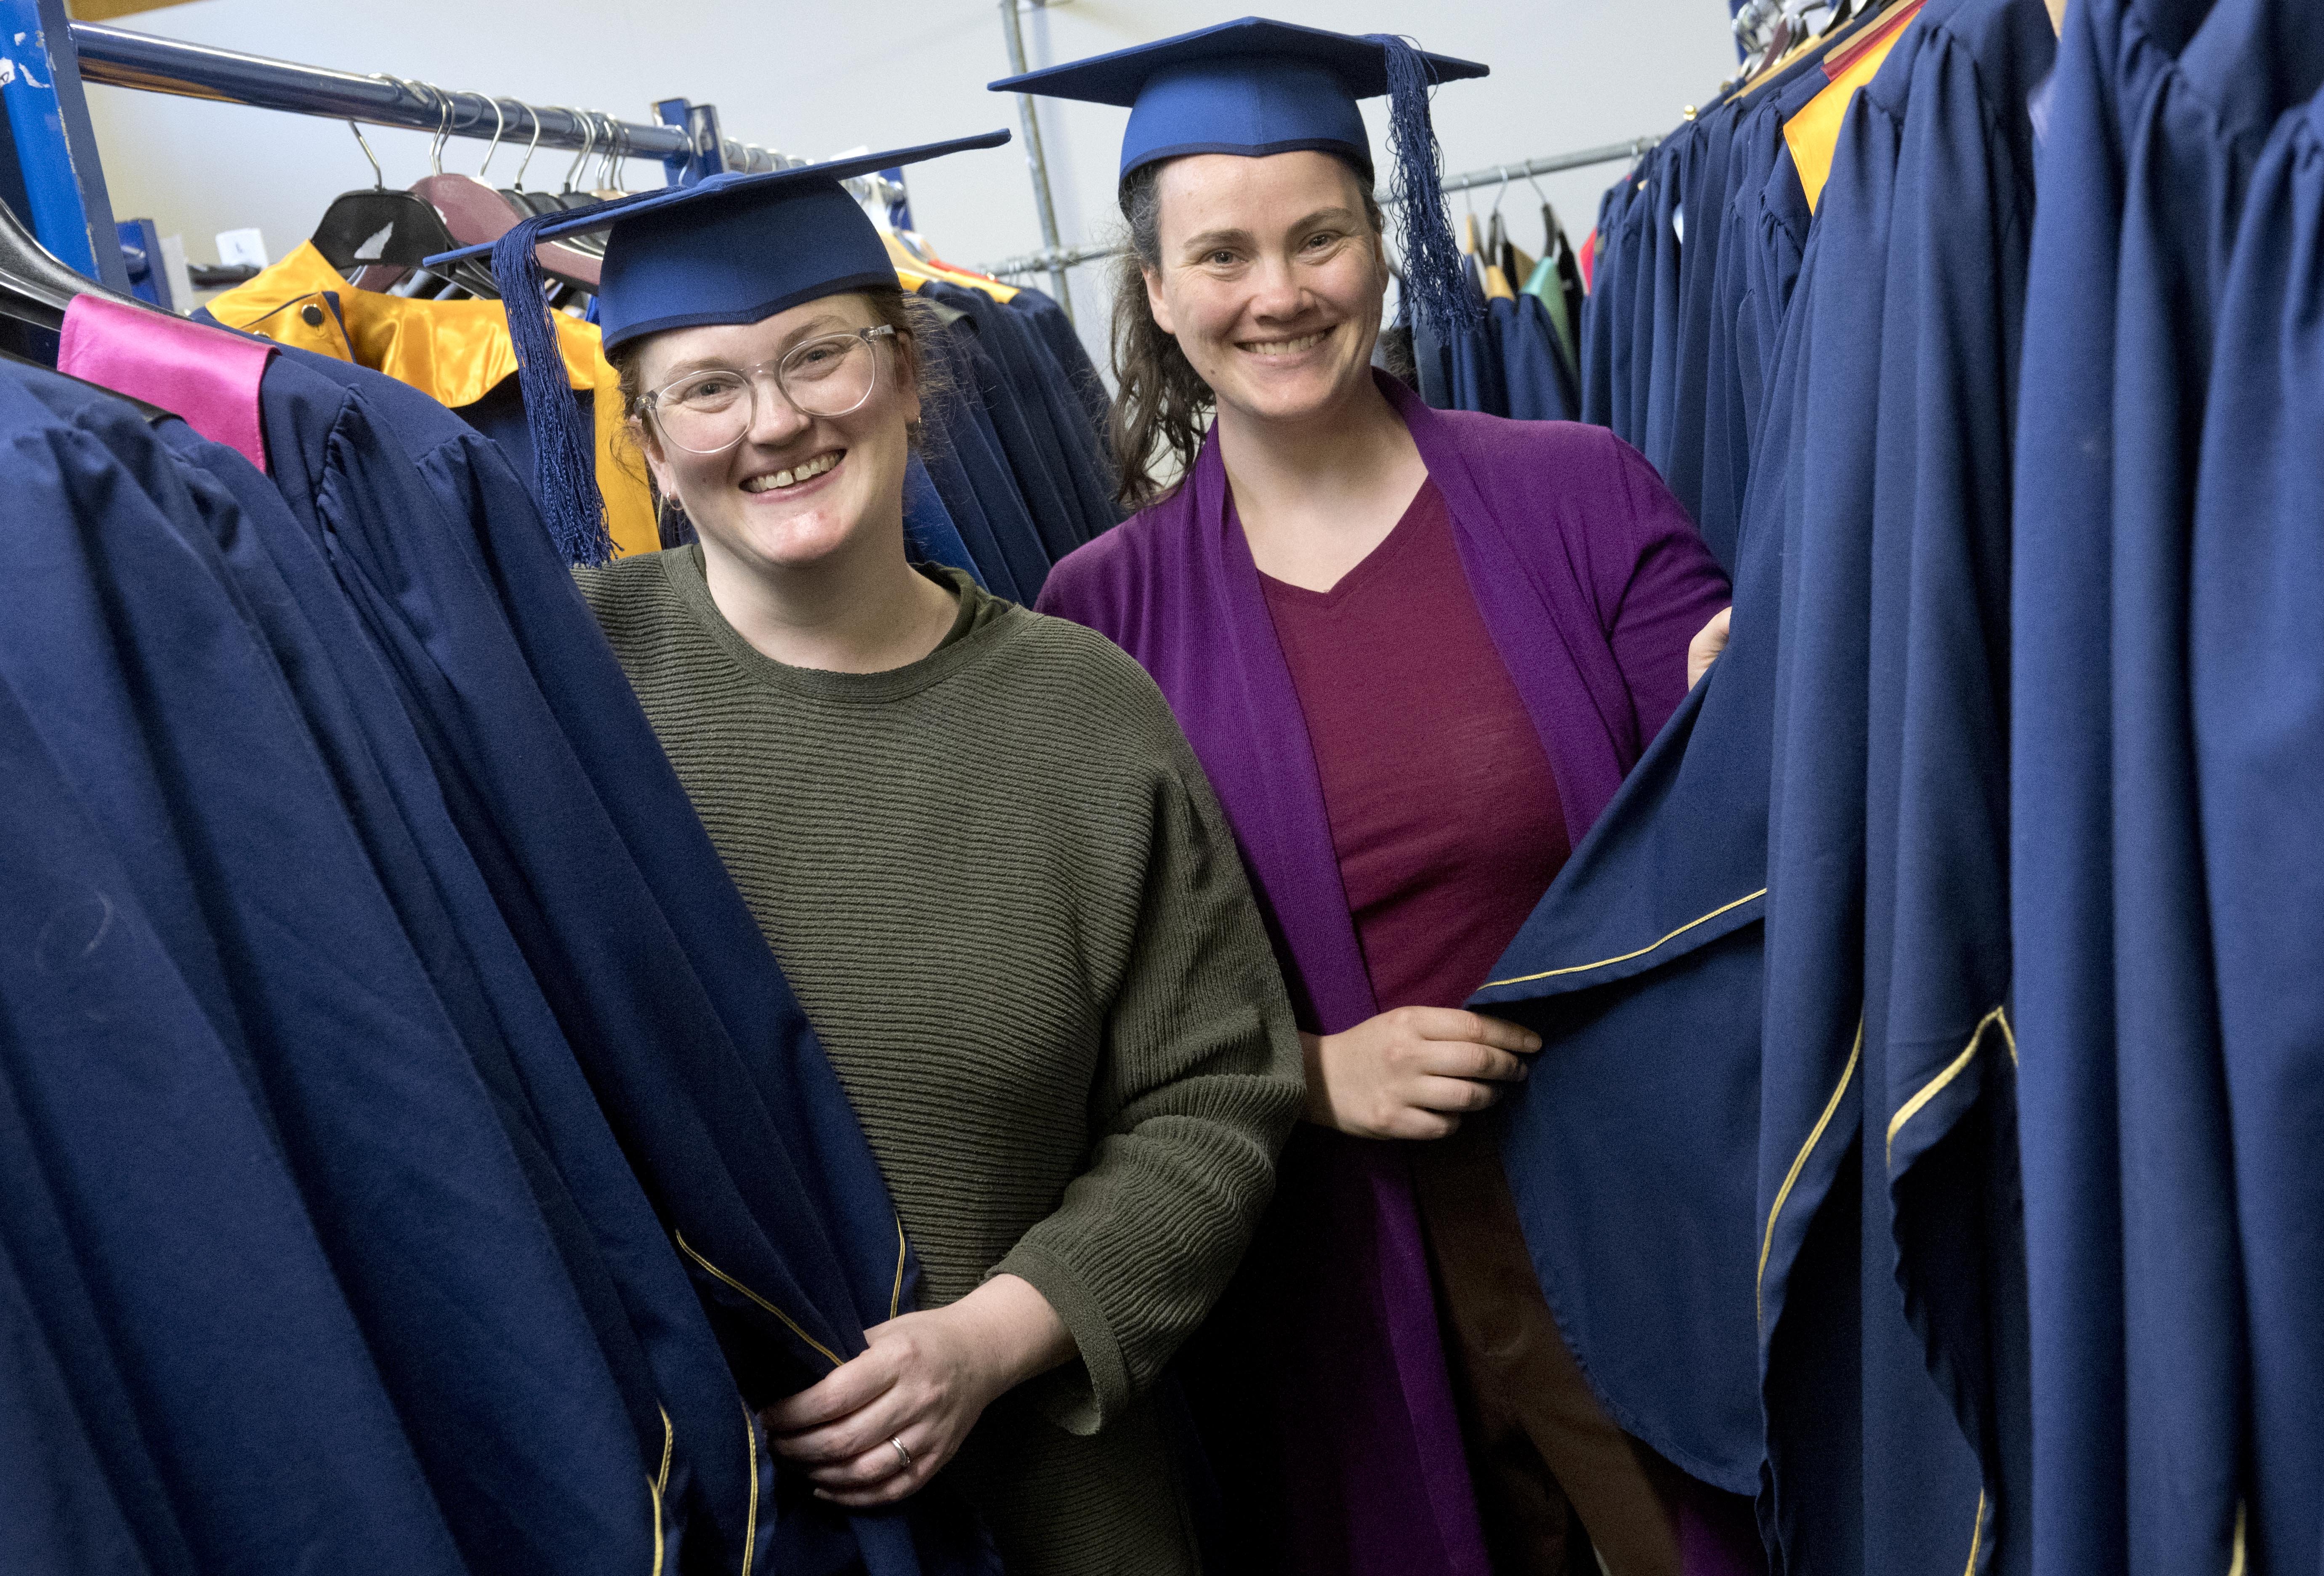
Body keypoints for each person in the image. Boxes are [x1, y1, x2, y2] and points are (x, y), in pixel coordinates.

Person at [431, 134, 1307, 1576]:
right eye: (706, 386)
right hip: (701, 1518)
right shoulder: (551, 694)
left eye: (818, 356)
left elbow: (1213, 1095)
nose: (771, 422)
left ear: (908, 373)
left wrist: (993, 1336)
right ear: (644, 437)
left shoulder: (1081, 710)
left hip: (1049, 1505)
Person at [1002, 21, 1754, 1576]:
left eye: (1318, 238)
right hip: (1330, 1267)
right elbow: (1090, 990)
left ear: (1378, 250)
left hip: (1639, 1204)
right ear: (1153, 291)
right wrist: (1305, 1071)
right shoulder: (1096, 612)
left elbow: (1733, 825)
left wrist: (1765, 704)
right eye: (1221, 256)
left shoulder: (1578, 491)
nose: (1277, 293)